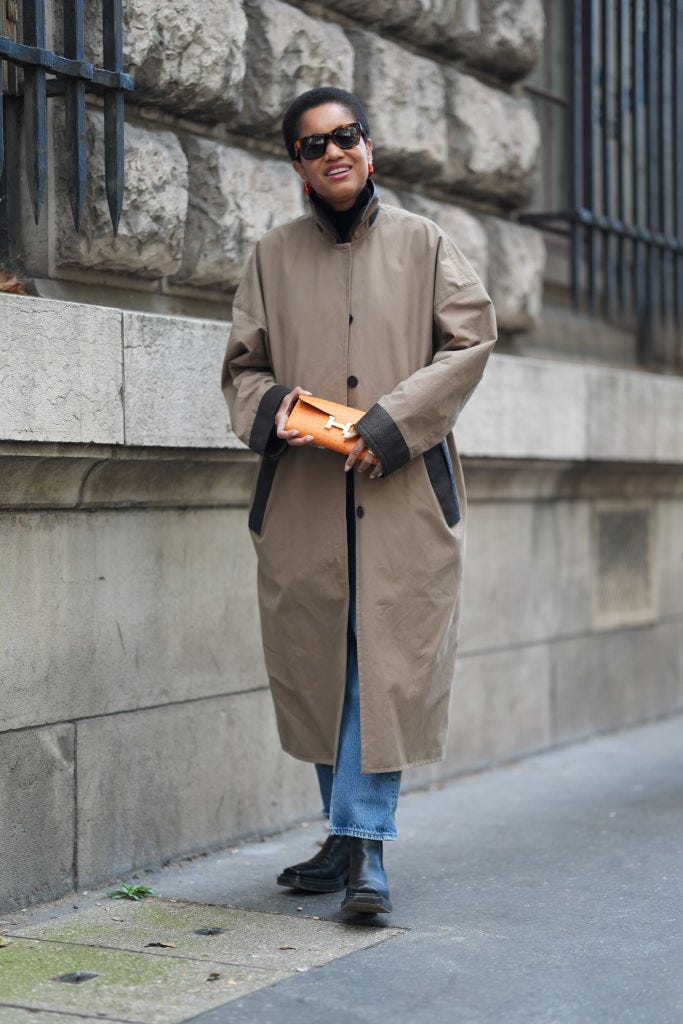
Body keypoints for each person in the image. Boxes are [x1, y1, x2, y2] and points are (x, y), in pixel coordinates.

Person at [222, 86, 496, 916]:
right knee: (320, 664)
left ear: (368, 149)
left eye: (346, 136)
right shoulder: (271, 257)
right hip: (305, 498)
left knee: (382, 669)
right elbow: (242, 368)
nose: (333, 151)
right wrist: (283, 413)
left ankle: (367, 848)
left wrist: (389, 426)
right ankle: (344, 837)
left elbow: (470, 338)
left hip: (404, 494)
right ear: (297, 166)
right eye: (313, 144)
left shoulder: (424, 243)